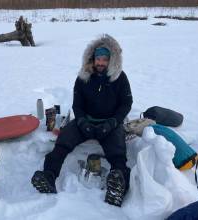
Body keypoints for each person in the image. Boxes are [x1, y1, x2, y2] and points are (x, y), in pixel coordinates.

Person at [31, 34, 133, 207]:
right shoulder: (83, 78)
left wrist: (113, 123)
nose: (100, 63)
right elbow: (77, 105)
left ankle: (118, 186)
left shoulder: (120, 78)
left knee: (117, 153)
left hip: (110, 123)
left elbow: (126, 103)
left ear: (111, 60)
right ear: (92, 59)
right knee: (63, 142)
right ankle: (49, 175)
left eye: (105, 60)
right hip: (86, 121)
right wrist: (82, 122)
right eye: (98, 59)